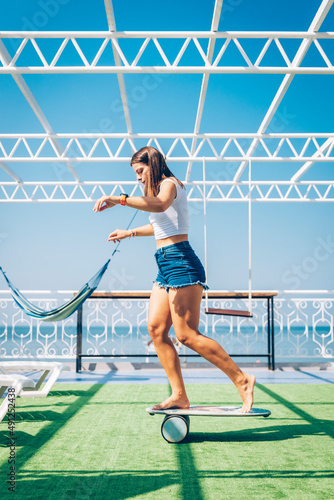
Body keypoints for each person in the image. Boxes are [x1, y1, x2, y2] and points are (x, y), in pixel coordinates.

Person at [93, 146, 255, 412]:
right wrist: (129, 232)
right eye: (136, 173)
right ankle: (179, 395)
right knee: (156, 330)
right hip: (165, 264)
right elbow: (159, 223)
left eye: (140, 171)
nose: (138, 178)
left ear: (153, 164)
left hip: (181, 262)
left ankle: (243, 380)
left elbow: (160, 205)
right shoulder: (158, 191)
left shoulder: (169, 184)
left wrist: (119, 199)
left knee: (187, 335)